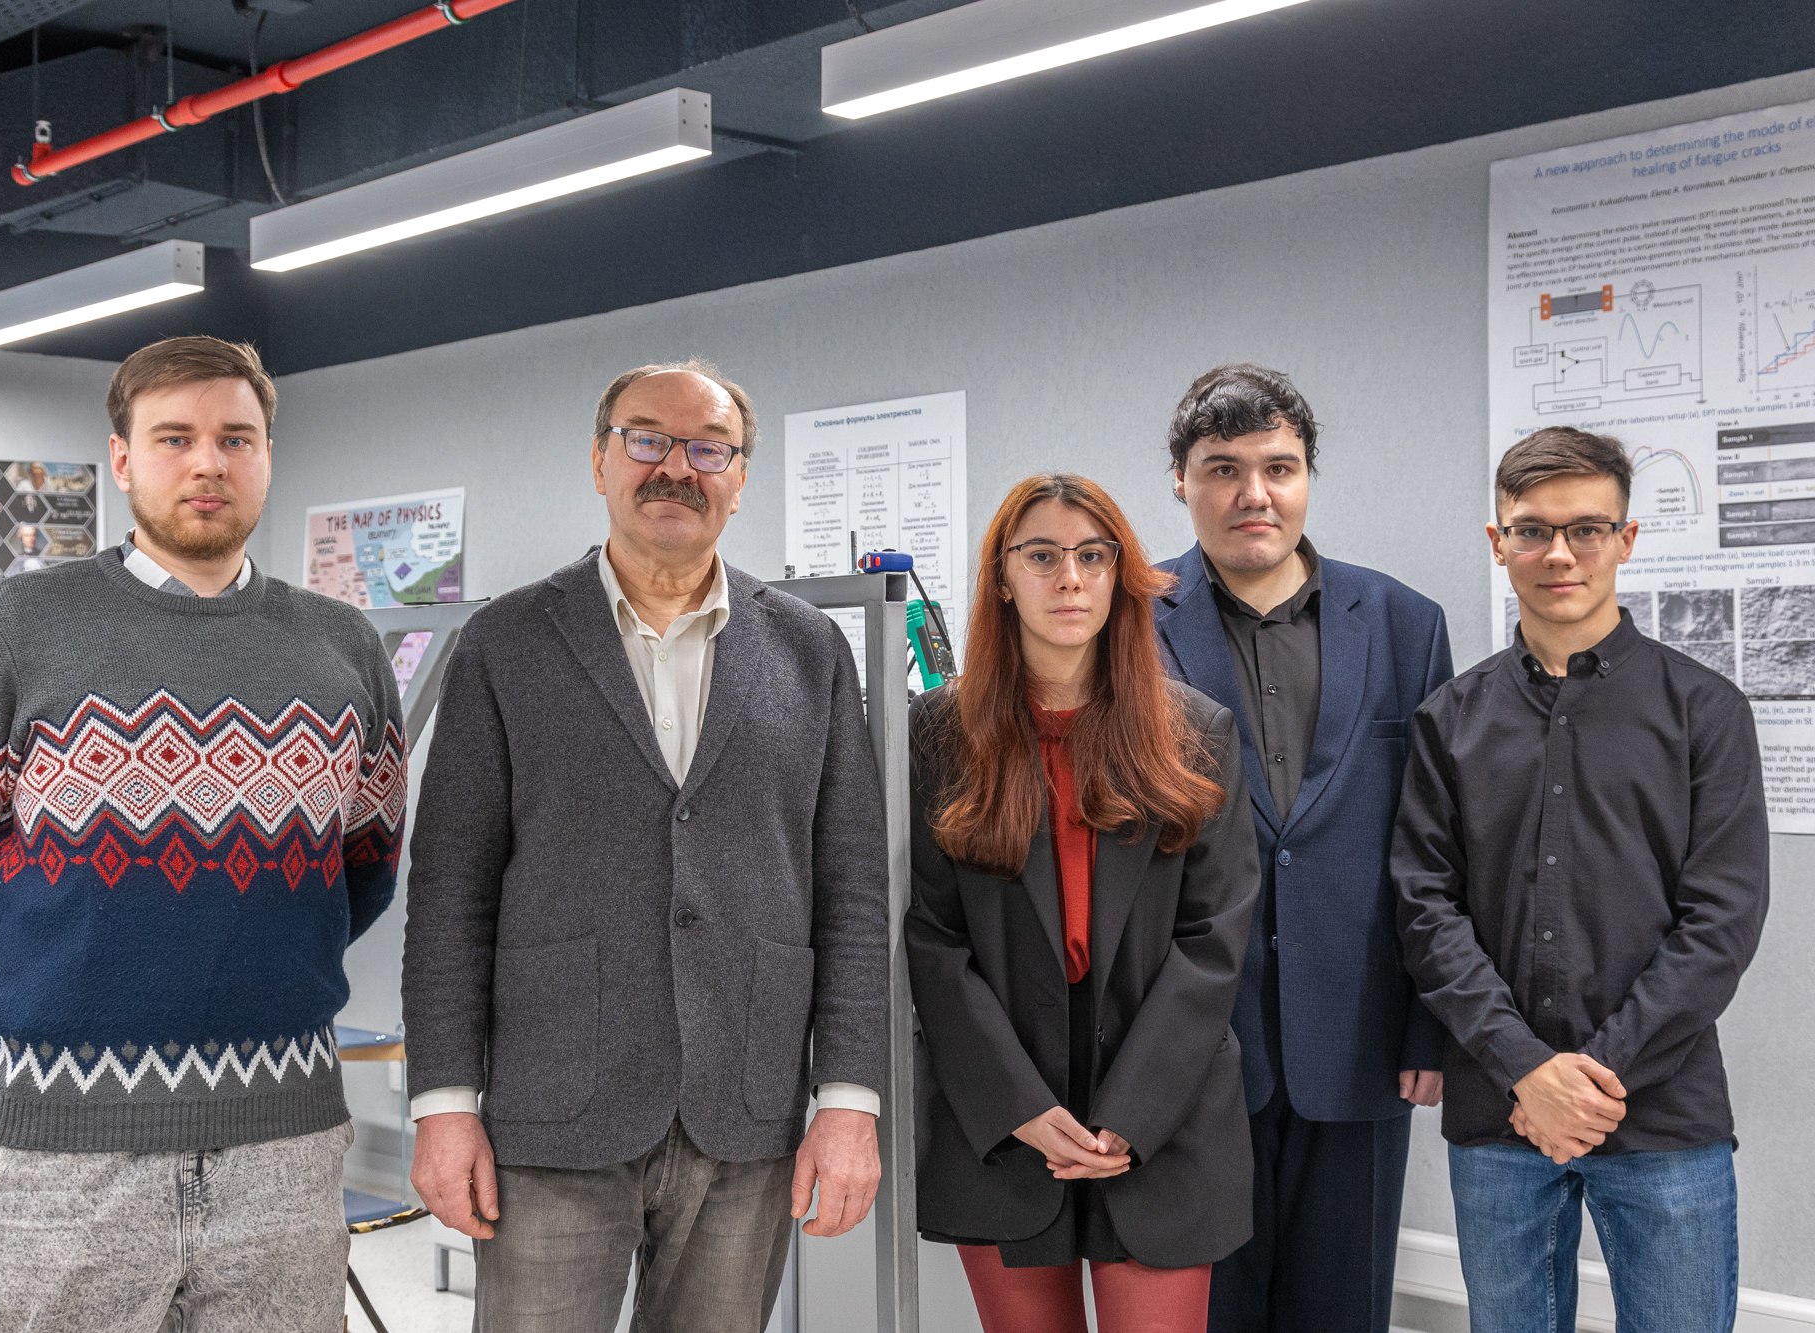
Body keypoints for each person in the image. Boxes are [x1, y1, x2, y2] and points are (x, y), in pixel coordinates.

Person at [0, 335, 408, 1333]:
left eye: (235, 438)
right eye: (174, 437)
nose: (208, 463)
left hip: (283, 1153)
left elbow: (365, 866)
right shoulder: (14, 629)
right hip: (58, 1157)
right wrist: (32, 985)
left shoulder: (345, 647)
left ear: (267, 454)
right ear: (121, 458)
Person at [402, 360, 889, 1333]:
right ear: (599, 461)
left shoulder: (809, 650)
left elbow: (853, 890)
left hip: (744, 1109)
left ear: (740, 477)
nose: (676, 467)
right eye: (646, 439)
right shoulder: (506, 641)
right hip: (554, 1107)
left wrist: (848, 1098)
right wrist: (444, 1101)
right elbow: (450, 889)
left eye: (707, 448)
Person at [1392, 426, 1768, 1333]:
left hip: (1662, 1111)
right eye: (1532, 529)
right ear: (1499, 542)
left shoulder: (1707, 711)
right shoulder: (1450, 719)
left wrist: (1589, 1080)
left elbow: (1721, 921)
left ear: (1625, 539)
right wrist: (1527, 1070)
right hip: (1499, 1111)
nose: (1559, 553)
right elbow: (1424, 906)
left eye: (1587, 529)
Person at [908, 472, 1259, 1333]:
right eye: (1042, 556)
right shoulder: (939, 735)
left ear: (1117, 575)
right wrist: (1019, 1106)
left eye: (1092, 556)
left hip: (1163, 1117)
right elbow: (932, 937)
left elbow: (1213, 941)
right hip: (1003, 1116)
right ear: (1002, 577)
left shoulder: (1195, 732)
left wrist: (1131, 1116)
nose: (1069, 578)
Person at [1153, 364, 1453, 1333]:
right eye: (1223, 468)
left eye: (1278, 467)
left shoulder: (1405, 623)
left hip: (1362, 1039)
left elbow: (1434, 843)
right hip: (1189, 1047)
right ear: (1179, 478)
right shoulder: (1125, 619)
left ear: (1307, 476)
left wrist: (1429, 1026)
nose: (1254, 493)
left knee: (1342, 1314)